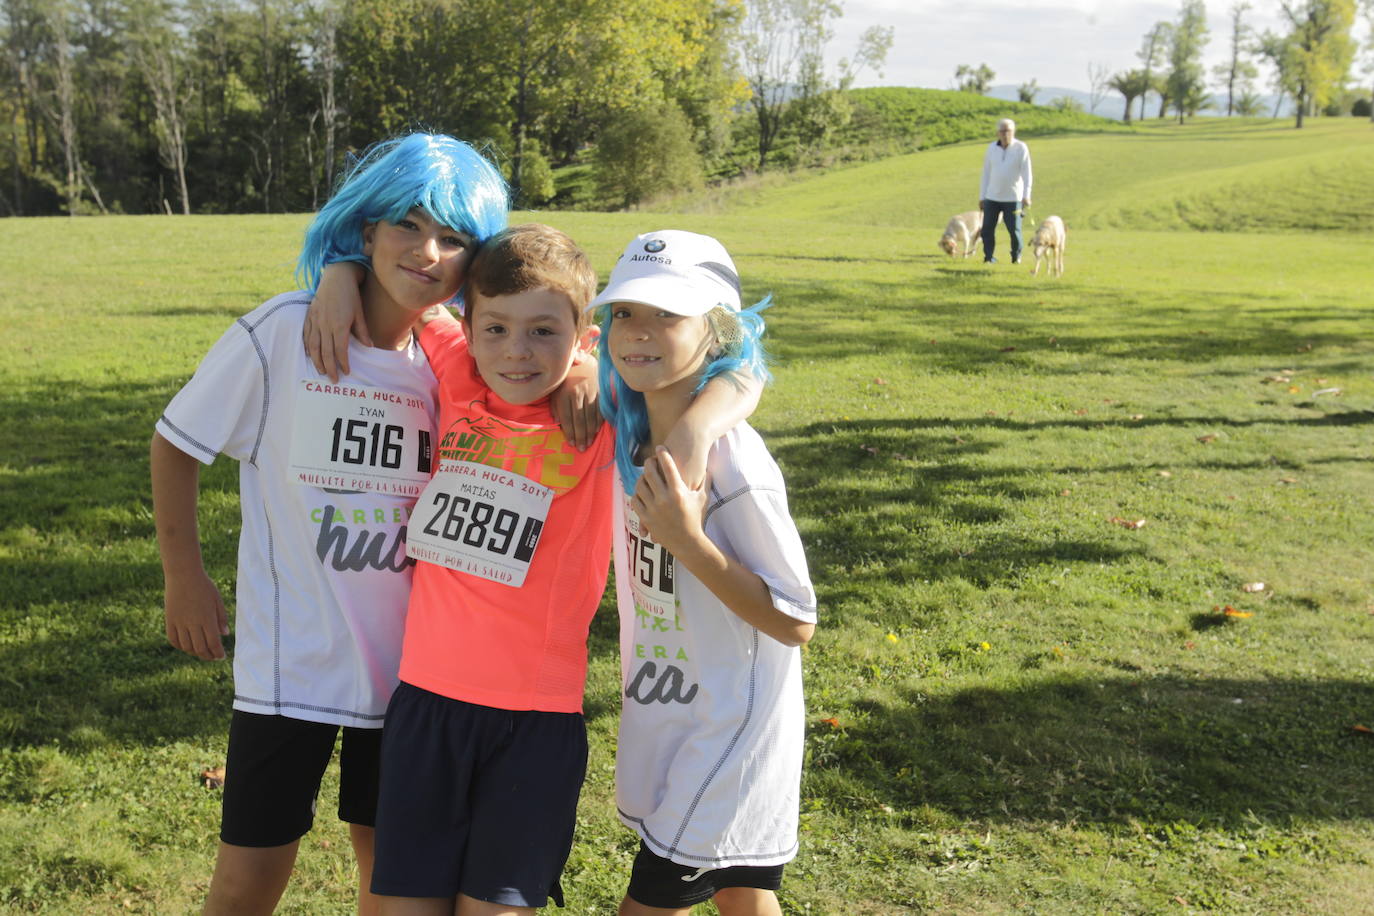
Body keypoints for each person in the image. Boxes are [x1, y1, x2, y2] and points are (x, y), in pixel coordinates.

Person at [305, 223, 761, 915]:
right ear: (469, 328)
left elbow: (744, 372)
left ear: (584, 335)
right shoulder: (459, 368)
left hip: (534, 724)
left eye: (544, 333)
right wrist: (340, 272)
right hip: (424, 706)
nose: (517, 352)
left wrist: (683, 425)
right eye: (496, 330)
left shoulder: (606, 410)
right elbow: (406, 290)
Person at [150, 132, 507, 916]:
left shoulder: (457, 361)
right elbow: (177, 444)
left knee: (389, 874)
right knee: (248, 877)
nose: (427, 251)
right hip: (292, 669)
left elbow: (542, 350)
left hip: (414, 675)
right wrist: (185, 577)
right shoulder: (285, 333)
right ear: (367, 227)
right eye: (407, 224)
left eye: (454, 237)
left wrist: (577, 373)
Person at [591, 230, 817, 916]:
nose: (639, 330)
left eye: (668, 314)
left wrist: (688, 542)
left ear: (716, 332)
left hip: (728, 728)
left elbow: (795, 620)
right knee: (743, 893)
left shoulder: (735, 466)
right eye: (625, 312)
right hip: (674, 709)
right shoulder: (631, 437)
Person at [978, 117, 1033, 264]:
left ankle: (1016, 256)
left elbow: (1027, 174)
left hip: (1013, 198)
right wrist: (982, 197)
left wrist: (1026, 195)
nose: (1005, 134)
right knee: (987, 230)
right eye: (1002, 131)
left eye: (1008, 131)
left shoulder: (1021, 148)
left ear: (1013, 132)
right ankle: (989, 257)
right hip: (992, 197)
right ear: (998, 133)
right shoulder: (991, 148)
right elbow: (986, 173)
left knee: (1014, 231)